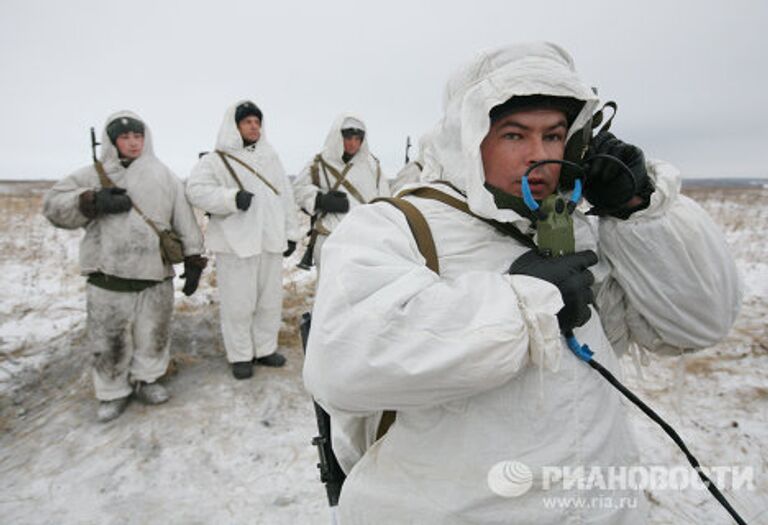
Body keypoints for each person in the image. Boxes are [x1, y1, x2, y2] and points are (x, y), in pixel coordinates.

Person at [302, 42, 742, 524]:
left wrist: (639, 209)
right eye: (515, 135)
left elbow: (700, 321)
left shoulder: (580, 231)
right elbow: (343, 363)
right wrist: (523, 305)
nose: (539, 156)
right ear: (469, 136)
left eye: (554, 136)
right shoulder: (395, 226)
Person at [43, 111, 206, 423]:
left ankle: (149, 379)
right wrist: (90, 200)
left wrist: (194, 258)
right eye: (125, 137)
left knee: (153, 332)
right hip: (107, 274)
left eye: (138, 137)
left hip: (154, 273)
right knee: (108, 337)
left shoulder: (164, 175)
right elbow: (52, 206)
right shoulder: (92, 174)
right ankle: (112, 391)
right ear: (112, 141)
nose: (133, 143)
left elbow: (184, 218)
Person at [186, 101, 300, 380]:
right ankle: (240, 355)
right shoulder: (215, 160)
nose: (254, 127)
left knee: (269, 301)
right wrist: (230, 199)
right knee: (238, 304)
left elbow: (285, 197)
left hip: (269, 241)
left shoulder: (271, 156)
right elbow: (196, 191)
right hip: (235, 244)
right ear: (234, 126)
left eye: (257, 122)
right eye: (247, 121)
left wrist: (290, 233)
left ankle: (264, 348)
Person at [292, 114, 390, 269]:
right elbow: (297, 190)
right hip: (329, 238)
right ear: (338, 136)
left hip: (363, 239)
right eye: (348, 138)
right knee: (329, 290)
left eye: (358, 139)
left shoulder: (372, 165)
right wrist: (320, 200)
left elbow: (385, 200)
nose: (353, 143)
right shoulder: (319, 162)